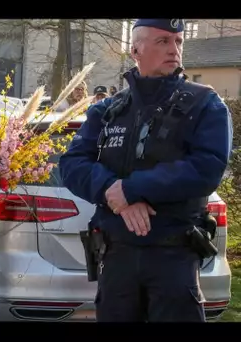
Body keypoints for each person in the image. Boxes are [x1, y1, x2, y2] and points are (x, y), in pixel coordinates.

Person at [58, 19, 232, 322]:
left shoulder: (205, 104)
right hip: (117, 259)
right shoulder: (107, 110)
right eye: (163, 41)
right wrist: (113, 191)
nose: (174, 49)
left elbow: (207, 168)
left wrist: (131, 189)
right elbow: (72, 164)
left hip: (173, 258)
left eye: (178, 42)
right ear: (135, 49)